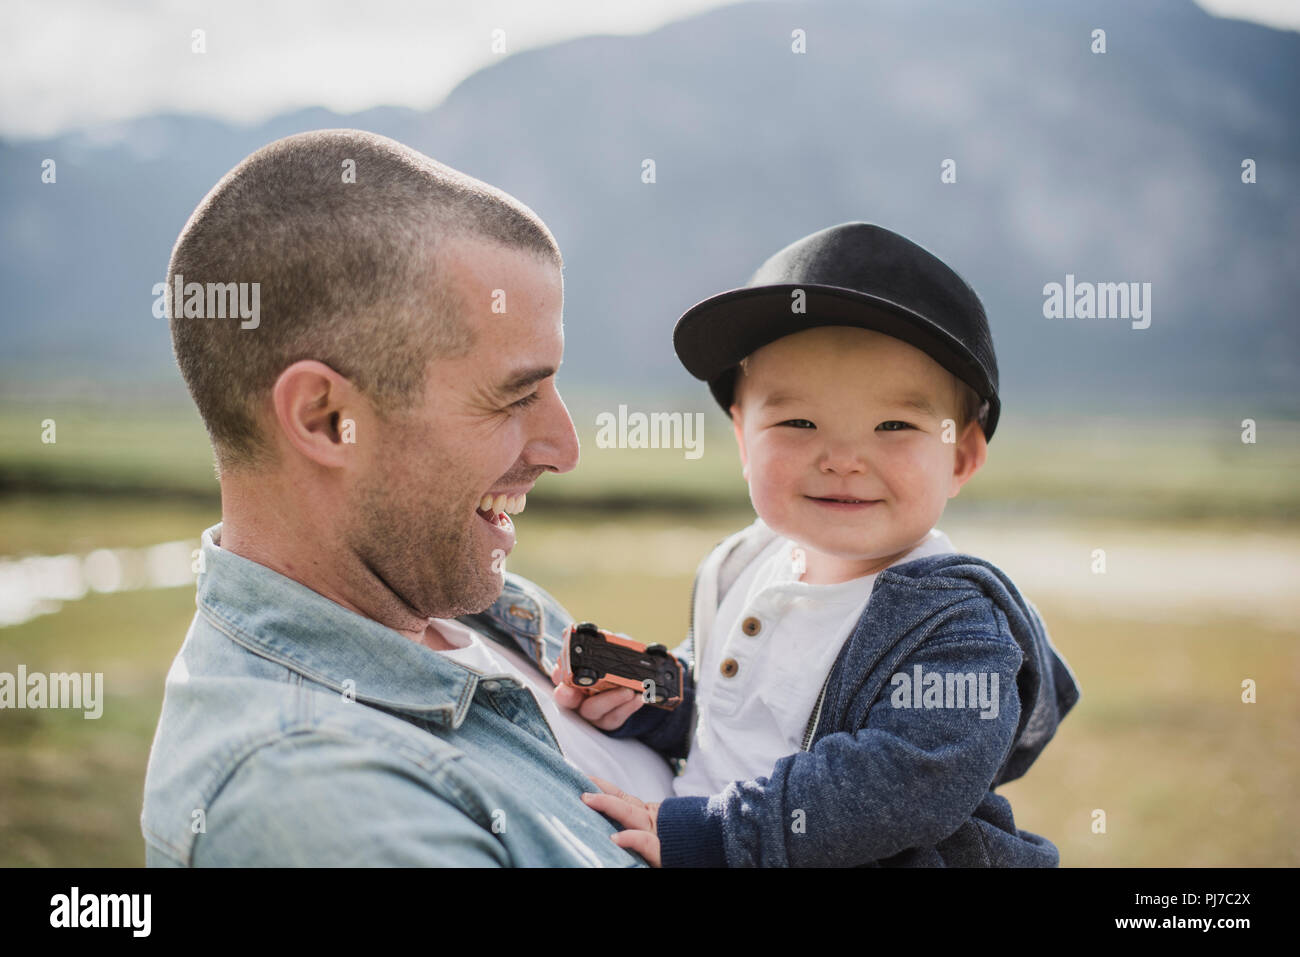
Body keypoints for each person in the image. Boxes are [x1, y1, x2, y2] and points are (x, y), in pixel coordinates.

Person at [141, 128, 676, 866]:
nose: (565, 449)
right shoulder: (314, 809)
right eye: (514, 396)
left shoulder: (476, 603)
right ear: (328, 420)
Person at [551, 222, 1082, 867]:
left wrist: (716, 838)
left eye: (894, 425)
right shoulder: (744, 564)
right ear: (744, 439)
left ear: (963, 456)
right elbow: (740, 721)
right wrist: (654, 702)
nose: (842, 459)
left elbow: (902, 784)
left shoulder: (954, 624)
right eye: (798, 422)